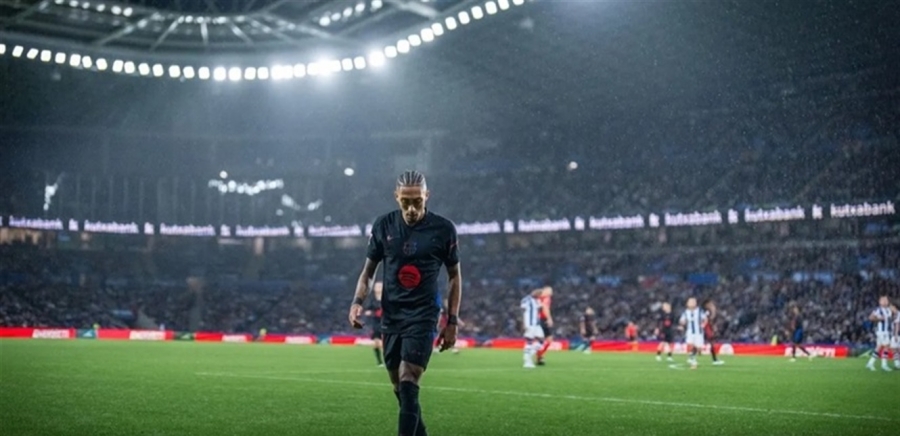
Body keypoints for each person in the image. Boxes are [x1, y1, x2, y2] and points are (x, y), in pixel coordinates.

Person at [348, 170, 462, 436]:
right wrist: (357, 301)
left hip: (423, 315)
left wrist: (452, 321)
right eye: (406, 202)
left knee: (409, 379)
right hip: (392, 315)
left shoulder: (443, 229)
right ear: (396, 197)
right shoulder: (383, 226)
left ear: (427, 196)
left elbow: (455, 276)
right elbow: (368, 271)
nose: (411, 209)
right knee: (399, 388)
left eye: (417, 201)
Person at [866, 295, 894, 372]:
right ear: (880, 302)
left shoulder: (889, 310)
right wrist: (879, 319)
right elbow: (870, 317)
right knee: (886, 346)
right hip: (882, 332)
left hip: (887, 331)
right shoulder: (878, 310)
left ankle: (870, 363)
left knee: (878, 347)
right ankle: (884, 365)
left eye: (886, 300)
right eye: (883, 300)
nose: (885, 301)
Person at [679, 297, 707, 370]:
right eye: (690, 302)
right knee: (690, 344)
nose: (692, 303)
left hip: (699, 332)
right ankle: (693, 360)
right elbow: (682, 320)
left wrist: (703, 324)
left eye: (693, 302)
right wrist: (682, 324)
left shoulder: (700, 311)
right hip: (690, 332)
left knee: (699, 348)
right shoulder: (685, 312)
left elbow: (705, 319)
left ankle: (692, 355)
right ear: (687, 303)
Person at [520, 290, 545, 368]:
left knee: (541, 341)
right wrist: (523, 323)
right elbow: (522, 311)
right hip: (529, 323)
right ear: (534, 292)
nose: (539, 296)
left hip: (536, 324)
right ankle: (527, 362)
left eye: (540, 295)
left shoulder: (537, 300)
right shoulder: (526, 300)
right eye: (538, 294)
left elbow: (540, 309)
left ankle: (529, 355)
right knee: (529, 341)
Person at [363, 281, 385, 367]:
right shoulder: (371, 300)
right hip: (376, 322)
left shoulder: (387, 298)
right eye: (377, 286)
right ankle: (379, 361)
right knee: (376, 342)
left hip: (386, 322)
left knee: (385, 342)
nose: (378, 288)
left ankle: (390, 360)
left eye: (380, 286)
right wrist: (370, 312)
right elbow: (367, 310)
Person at [535, 286, 554, 365]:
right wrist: (549, 318)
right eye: (550, 291)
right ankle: (539, 355)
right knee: (548, 339)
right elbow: (545, 308)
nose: (551, 293)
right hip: (542, 320)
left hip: (536, 320)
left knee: (541, 339)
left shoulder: (537, 298)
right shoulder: (546, 298)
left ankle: (540, 356)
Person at [703, 299, 724, 365]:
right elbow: (709, 320)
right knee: (711, 343)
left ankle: (715, 359)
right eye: (710, 304)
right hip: (707, 328)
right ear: (706, 305)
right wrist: (713, 328)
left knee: (712, 343)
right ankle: (714, 360)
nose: (711, 305)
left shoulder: (710, 311)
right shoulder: (707, 312)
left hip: (709, 328)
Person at [892, 305, 900, 369]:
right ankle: (897, 364)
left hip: (897, 334)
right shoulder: (893, 314)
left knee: (897, 349)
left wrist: (896, 334)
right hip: (894, 334)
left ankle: (897, 364)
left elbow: (897, 324)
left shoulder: (898, 314)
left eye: (892, 307)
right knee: (895, 349)